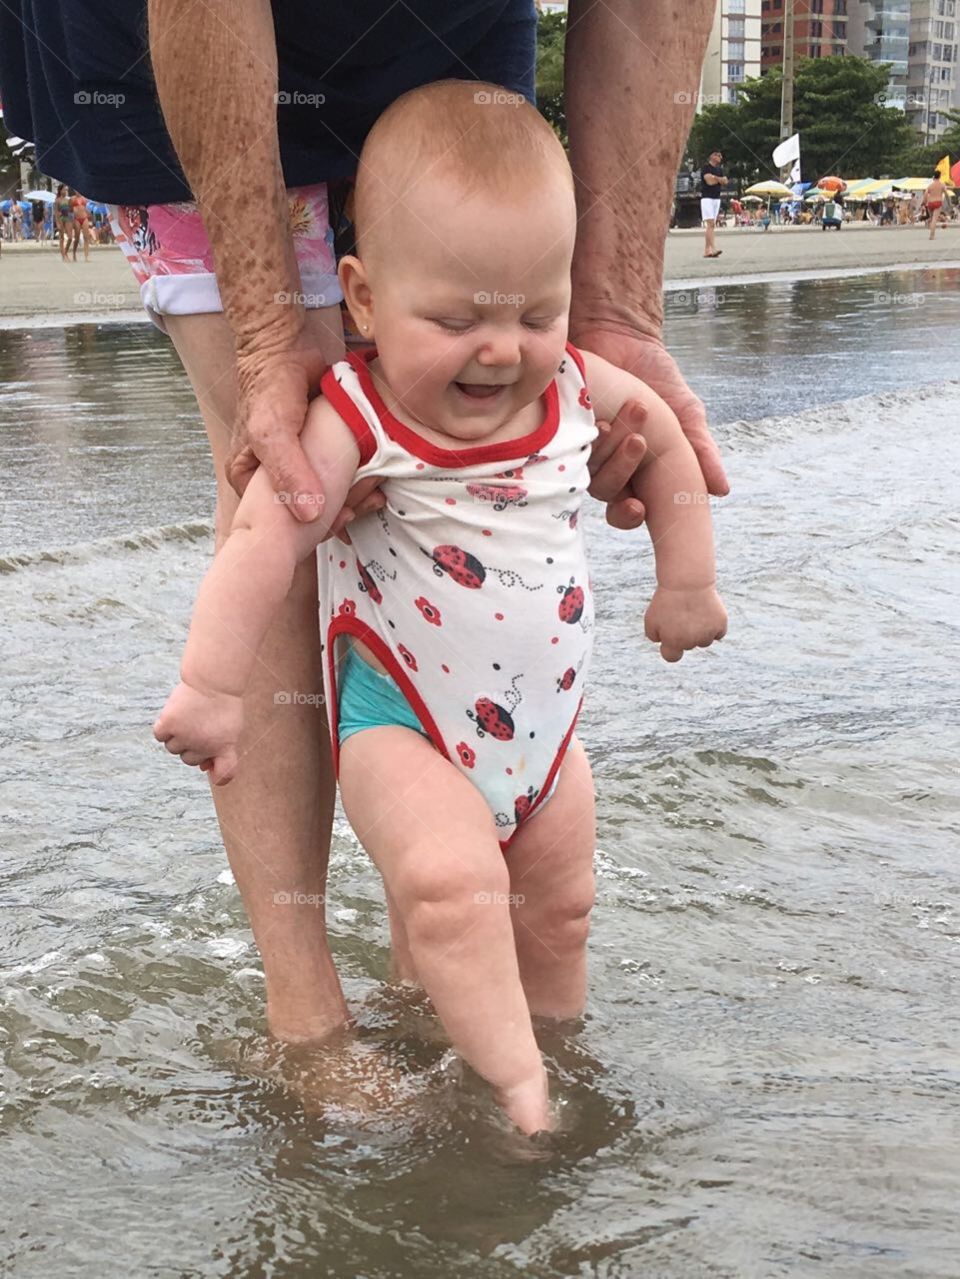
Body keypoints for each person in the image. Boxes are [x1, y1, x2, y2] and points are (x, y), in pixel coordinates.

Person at [0, 0, 729, 1051]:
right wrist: (264, 338)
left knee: (443, 465)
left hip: (435, 39)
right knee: (289, 477)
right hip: (176, 35)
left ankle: (436, 971)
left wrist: (614, 311)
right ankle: (306, 1016)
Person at [153, 83, 728, 1133]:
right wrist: (211, 683)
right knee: (452, 889)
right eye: (457, 320)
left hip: (547, 736)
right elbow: (262, 540)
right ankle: (522, 1095)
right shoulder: (356, 414)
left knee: (558, 909)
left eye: (534, 313)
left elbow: (671, 441)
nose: (502, 348)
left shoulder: (574, 385)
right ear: (364, 300)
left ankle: (537, 1042)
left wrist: (686, 578)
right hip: (405, 722)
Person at [700, 148, 727, 258]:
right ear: (712, 156)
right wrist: (718, 179)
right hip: (707, 198)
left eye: (720, 155)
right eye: (717, 155)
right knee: (710, 223)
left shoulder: (719, 170)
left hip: (716, 198)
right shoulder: (706, 168)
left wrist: (715, 178)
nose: (720, 157)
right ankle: (713, 248)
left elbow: (725, 181)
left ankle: (707, 250)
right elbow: (709, 181)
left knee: (712, 225)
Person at [923, 174, 949, 241]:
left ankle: (931, 230)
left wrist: (924, 202)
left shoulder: (930, 185)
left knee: (932, 219)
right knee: (934, 219)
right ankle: (932, 236)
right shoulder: (942, 184)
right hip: (937, 202)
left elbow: (925, 194)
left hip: (930, 203)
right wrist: (949, 203)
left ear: (934, 178)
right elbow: (946, 194)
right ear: (940, 177)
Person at [54, 184, 74, 260]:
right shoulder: (57, 200)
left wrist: (71, 206)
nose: (65, 191)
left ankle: (65, 252)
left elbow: (71, 210)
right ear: (60, 191)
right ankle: (63, 255)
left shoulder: (68, 200)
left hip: (68, 218)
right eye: (64, 190)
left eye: (66, 190)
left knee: (70, 237)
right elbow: (56, 213)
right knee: (61, 238)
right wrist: (58, 223)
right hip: (61, 218)